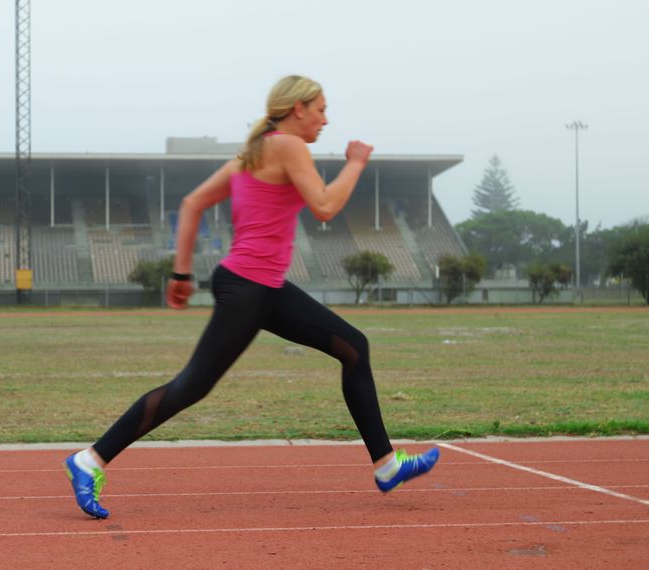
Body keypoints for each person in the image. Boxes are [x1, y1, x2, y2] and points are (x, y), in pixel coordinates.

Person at [64, 75, 439, 519]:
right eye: (320, 108)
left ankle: (386, 465)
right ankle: (89, 461)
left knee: (353, 347)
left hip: (262, 286)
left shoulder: (251, 155)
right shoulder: (286, 146)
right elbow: (324, 206)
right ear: (297, 108)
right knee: (191, 387)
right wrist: (356, 163)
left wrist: (182, 273)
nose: (325, 118)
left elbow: (190, 204)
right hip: (249, 286)